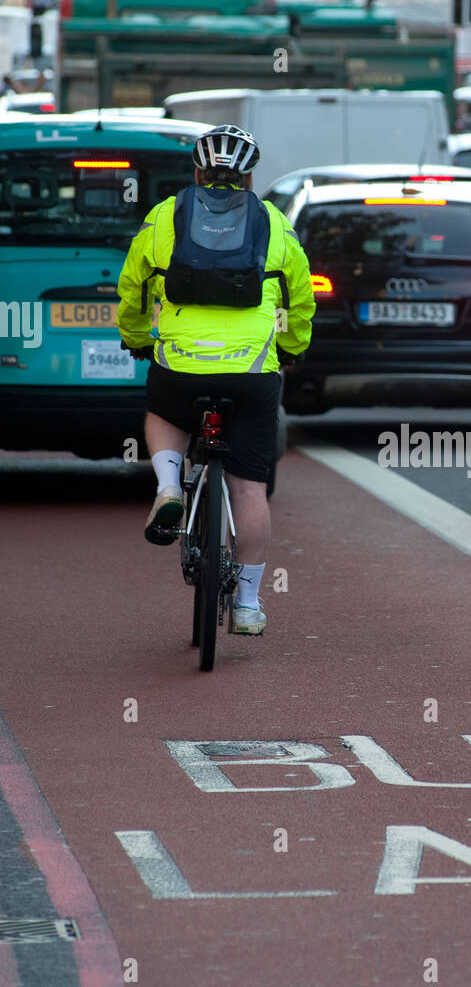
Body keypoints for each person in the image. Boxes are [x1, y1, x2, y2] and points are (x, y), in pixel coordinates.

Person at [117, 125, 315, 636]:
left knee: (164, 413)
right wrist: (290, 348)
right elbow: (300, 298)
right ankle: (247, 605)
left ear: (197, 171)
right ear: (249, 177)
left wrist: (138, 335)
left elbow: (133, 284)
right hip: (251, 373)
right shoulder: (274, 223)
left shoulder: (165, 215)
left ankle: (167, 487)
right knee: (250, 490)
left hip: (181, 363)